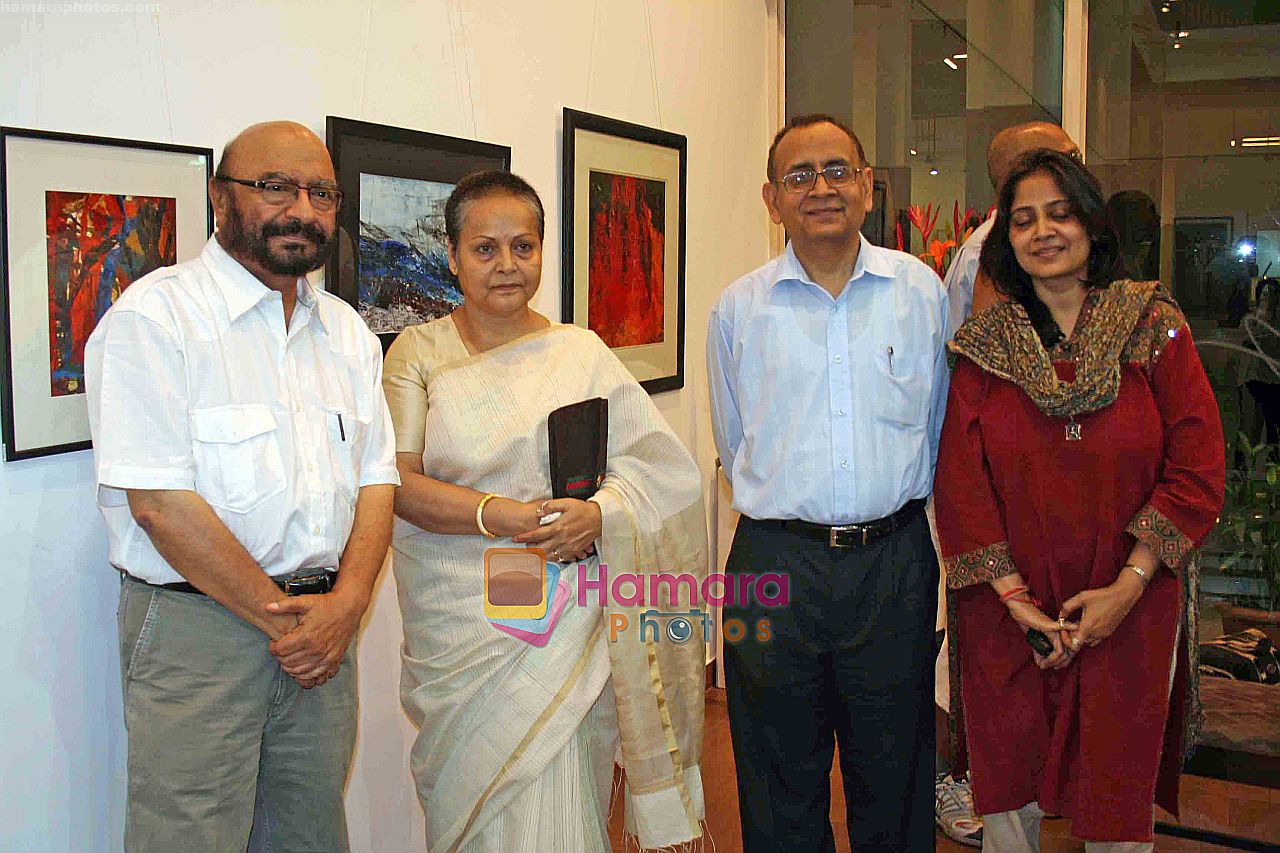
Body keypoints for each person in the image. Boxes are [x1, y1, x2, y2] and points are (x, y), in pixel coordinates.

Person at [85, 121, 399, 852]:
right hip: (200, 636)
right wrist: (286, 621)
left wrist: (345, 606)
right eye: (275, 187)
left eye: (321, 192)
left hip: (325, 631)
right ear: (218, 197)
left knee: (310, 834)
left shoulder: (348, 334)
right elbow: (159, 506)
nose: (302, 209)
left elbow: (377, 480)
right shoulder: (156, 319)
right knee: (188, 838)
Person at [382, 170, 707, 852]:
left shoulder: (579, 352)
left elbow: (666, 474)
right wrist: (501, 515)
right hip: (460, 622)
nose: (507, 265)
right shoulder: (418, 353)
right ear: (452, 254)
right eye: (485, 248)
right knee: (475, 798)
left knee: (565, 788)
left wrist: (605, 513)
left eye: (523, 247)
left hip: (566, 616)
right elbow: (397, 485)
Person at [934, 148, 1225, 851]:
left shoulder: (1155, 326)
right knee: (1009, 777)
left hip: (1131, 599)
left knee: (1115, 781)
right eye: (1025, 219)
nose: (1044, 231)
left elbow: (1197, 465)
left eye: (1059, 213)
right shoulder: (983, 348)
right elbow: (960, 479)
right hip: (1009, 607)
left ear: (1092, 225)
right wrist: (1015, 602)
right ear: (1007, 241)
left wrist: (1127, 587)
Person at [707, 113, 949, 851]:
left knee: (897, 776)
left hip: (894, 564)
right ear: (771, 198)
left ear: (868, 186)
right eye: (799, 175)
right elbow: (732, 436)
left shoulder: (921, 293)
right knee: (776, 779)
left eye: (837, 170)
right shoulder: (738, 309)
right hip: (773, 562)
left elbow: (938, 423)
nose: (821, 188)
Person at [934, 120, 1079, 848]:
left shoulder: (1105, 280)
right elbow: (983, 402)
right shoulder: (986, 260)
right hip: (996, 512)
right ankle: (958, 775)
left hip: (1070, 525)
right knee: (979, 664)